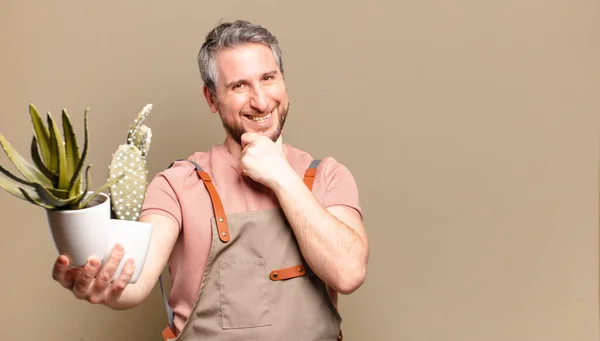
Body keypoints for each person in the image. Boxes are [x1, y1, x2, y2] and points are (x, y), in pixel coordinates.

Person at [51, 20, 369, 340]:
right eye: (239, 86)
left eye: (268, 78)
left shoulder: (328, 176)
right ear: (211, 98)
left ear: (283, 81)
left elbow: (348, 273)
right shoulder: (176, 184)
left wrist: (282, 175)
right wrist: (104, 283)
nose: (260, 101)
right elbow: (137, 280)